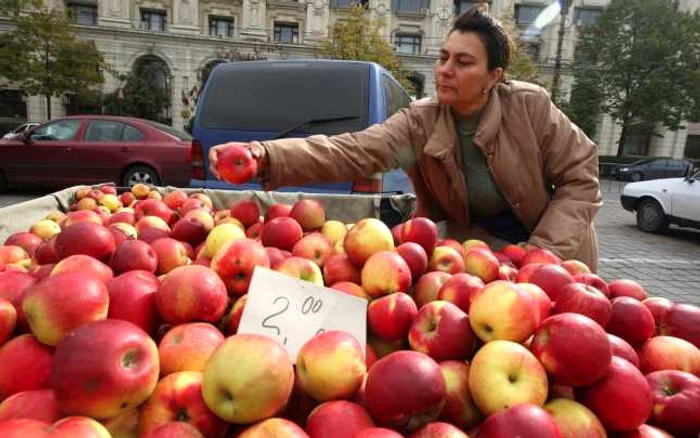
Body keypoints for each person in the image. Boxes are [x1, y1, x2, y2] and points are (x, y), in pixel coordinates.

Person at [209, 8, 603, 271]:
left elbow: (581, 177)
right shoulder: (422, 121)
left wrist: (543, 255)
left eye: (463, 62)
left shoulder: (528, 107)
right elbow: (353, 151)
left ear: (494, 76)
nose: (445, 70)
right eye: (443, 57)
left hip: (556, 257)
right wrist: (264, 156)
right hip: (479, 259)